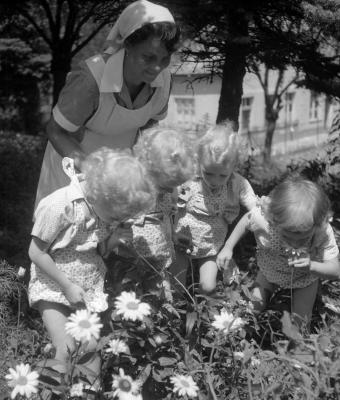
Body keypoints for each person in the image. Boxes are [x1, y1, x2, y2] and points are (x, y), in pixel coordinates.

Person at [35, 0, 181, 208]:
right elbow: (56, 131)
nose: (157, 67)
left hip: (117, 175)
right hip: (72, 173)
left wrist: (157, 164)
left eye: (165, 59)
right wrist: (93, 170)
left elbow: (149, 125)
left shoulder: (164, 80)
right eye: (148, 57)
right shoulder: (90, 80)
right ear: (128, 45)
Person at [28, 147, 155, 383]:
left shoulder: (101, 207)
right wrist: (66, 285)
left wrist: (113, 239)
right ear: (99, 194)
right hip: (53, 286)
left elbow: (96, 250)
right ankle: (54, 391)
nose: (118, 220)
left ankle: (88, 391)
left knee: (90, 346)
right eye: (116, 216)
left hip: (86, 287)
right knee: (65, 348)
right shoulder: (59, 207)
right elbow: (35, 252)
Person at [218, 177, 340, 326]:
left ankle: (297, 346)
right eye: (288, 234)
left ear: (317, 224)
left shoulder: (322, 231)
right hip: (270, 270)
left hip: (304, 278)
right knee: (251, 310)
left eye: (303, 236)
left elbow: (335, 270)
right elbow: (246, 220)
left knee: (300, 323)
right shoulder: (266, 219)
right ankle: (236, 333)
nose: (295, 242)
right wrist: (228, 247)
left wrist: (311, 266)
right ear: (275, 220)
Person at [109, 127, 195, 298]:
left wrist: (173, 237)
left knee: (162, 304)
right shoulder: (131, 191)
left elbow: (164, 217)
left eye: (175, 185)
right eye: (166, 185)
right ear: (148, 169)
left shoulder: (167, 190)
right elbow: (111, 221)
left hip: (159, 263)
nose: (171, 190)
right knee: (129, 306)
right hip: (130, 265)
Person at [175, 123, 258, 294]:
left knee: (208, 287)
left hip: (211, 246)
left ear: (234, 166)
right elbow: (169, 191)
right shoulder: (189, 176)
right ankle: (176, 314)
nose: (215, 180)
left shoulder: (237, 183)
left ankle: (201, 308)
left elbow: (253, 206)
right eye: (209, 173)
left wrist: (264, 208)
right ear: (199, 162)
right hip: (182, 241)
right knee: (176, 285)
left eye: (222, 175)